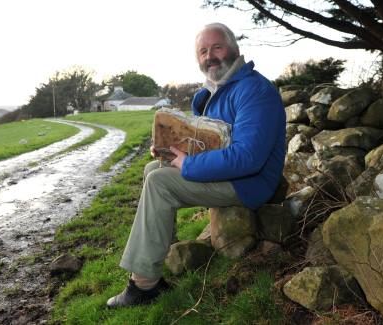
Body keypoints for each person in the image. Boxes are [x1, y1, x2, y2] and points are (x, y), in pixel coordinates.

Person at [106, 22, 286, 308]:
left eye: (217, 47)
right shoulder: (214, 91)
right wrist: (170, 151)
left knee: (159, 183)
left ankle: (143, 286)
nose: (209, 56)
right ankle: (161, 247)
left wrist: (187, 164)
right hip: (231, 174)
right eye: (202, 51)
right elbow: (204, 141)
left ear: (235, 49)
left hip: (250, 182)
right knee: (153, 170)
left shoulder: (254, 90)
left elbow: (249, 157)